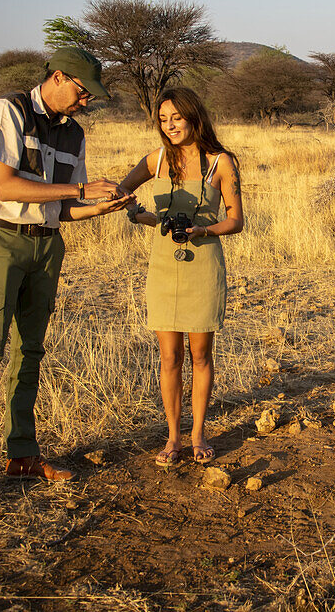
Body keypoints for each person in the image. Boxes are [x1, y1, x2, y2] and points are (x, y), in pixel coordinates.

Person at [0, 47, 134, 520]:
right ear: (59, 76)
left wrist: (102, 207)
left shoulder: (75, 133)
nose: (86, 103)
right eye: (83, 92)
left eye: (91, 97)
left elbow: (66, 208)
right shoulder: (7, 110)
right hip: (2, 240)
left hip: (49, 244)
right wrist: (79, 190)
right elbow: (6, 187)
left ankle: (22, 455)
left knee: (31, 352)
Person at [120, 88, 244, 467]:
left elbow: (236, 220)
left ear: (194, 116)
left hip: (203, 264)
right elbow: (123, 189)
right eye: (162, 119)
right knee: (169, 357)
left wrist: (203, 231)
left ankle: (198, 435)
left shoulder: (220, 162)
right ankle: (173, 438)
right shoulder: (156, 160)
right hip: (163, 265)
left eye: (176, 117)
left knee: (200, 356)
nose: (169, 125)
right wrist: (136, 211)